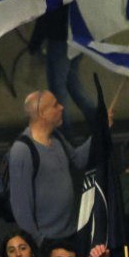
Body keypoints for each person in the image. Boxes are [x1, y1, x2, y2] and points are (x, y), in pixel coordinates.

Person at [7, 91, 92, 242]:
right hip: (48, 241)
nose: (62, 107)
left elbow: (78, 160)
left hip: (70, 234)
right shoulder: (23, 151)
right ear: (42, 113)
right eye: (55, 106)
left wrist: (100, 132)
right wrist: (39, 242)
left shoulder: (57, 138)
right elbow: (21, 208)